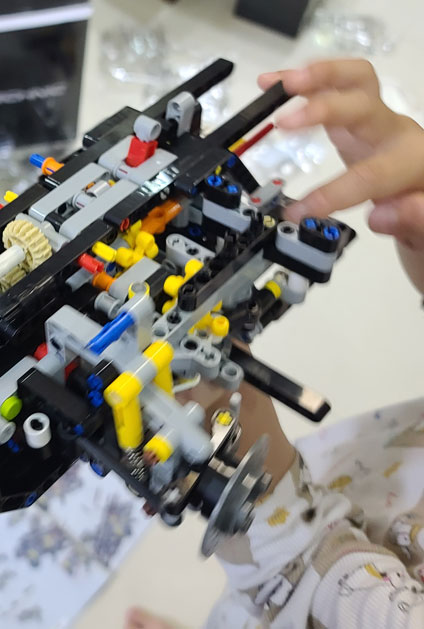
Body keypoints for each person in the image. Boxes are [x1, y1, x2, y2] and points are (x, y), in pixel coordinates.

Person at [125, 58, 424, 628]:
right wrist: (414, 217)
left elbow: (324, 581)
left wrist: (259, 482)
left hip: (291, 560)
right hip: (317, 523)